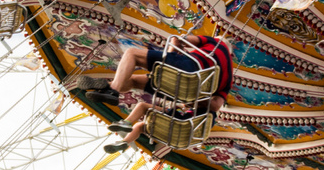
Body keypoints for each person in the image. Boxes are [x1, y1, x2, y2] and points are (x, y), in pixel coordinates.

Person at [86, 34, 233, 114]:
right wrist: (191, 100)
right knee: (135, 81)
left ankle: (113, 90)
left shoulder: (215, 42)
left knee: (132, 54)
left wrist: (168, 60)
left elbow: (178, 40)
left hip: (186, 68)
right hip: (182, 93)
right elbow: (215, 105)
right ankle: (107, 87)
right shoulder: (229, 79)